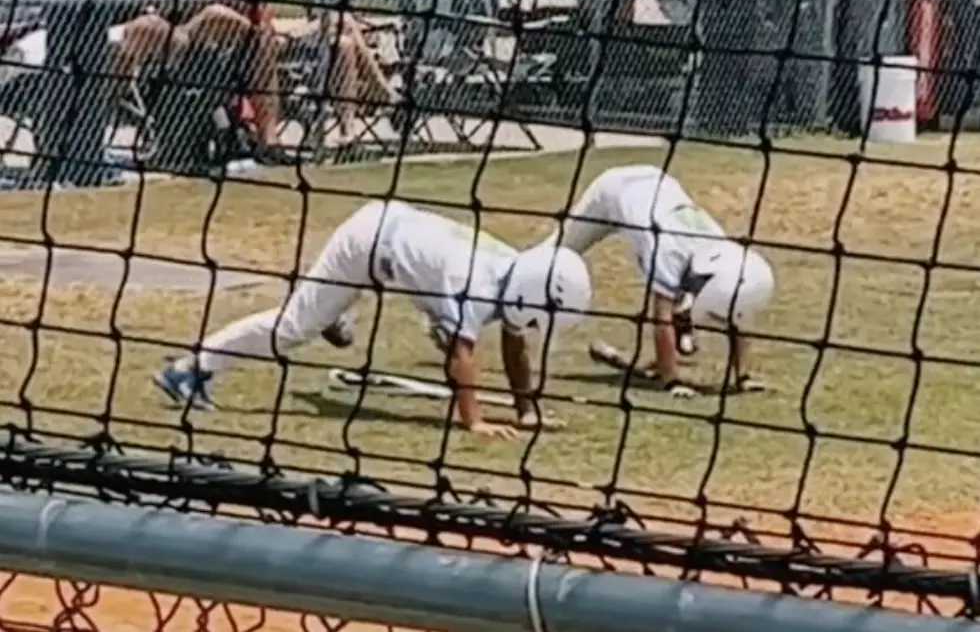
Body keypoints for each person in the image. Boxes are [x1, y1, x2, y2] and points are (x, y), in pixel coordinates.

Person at [152, 200, 593, 439]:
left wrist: (526, 411)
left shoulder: (516, 274)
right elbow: (463, 358)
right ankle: (190, 371)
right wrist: (473, 422)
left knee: (442, 327)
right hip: (366, 248)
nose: (535, 328)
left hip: (398, 250)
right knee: (291, 329)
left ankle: (338, 311)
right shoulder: (476, 282)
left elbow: (514, 340)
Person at [111, 0, 398, 158]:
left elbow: (265, 14)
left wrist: (261, 5)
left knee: (344, 33)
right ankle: (386, 98)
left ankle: (348, 125)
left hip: (263, 35)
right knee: (219, 14)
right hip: (201, 37)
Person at [540, 165, 775, 398]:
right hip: (613, 191)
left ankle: (669, 341)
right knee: (553, 256)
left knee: (683, 327)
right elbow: (661, 319)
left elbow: (739, 315)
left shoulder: (724, 256)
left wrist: (742, 377)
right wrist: (672, 381)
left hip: (654, 184)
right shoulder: (668, 252)